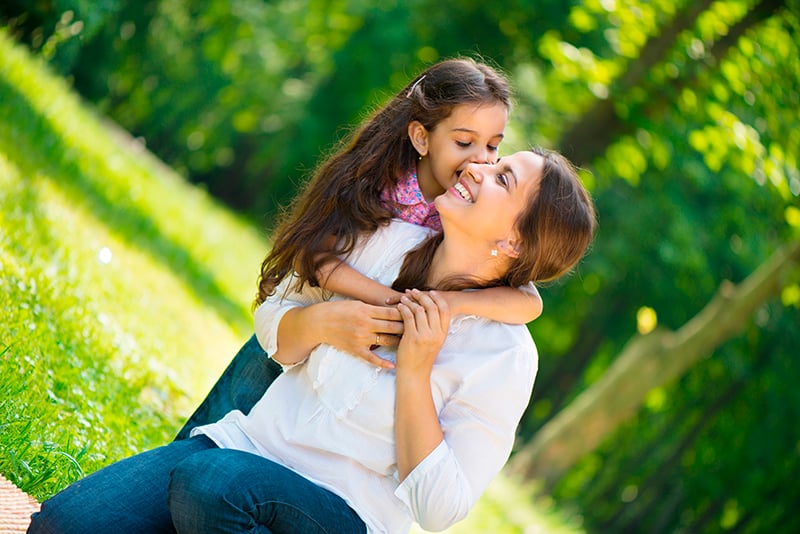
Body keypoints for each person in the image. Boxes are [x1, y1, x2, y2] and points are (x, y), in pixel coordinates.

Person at [28, 148, 596, 533]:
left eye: (503, 178)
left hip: (343, 514)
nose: (476, 166)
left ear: (516, 243)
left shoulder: (505, 357)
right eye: (492, 160)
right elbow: (274, 318)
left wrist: (416, 375)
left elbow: (440, 508)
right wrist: (327, 324)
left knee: (210, 489)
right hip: (248, 448)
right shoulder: (389, 242)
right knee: (60, 525)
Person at [175, 57, 542, 440]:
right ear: (421, 138)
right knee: (207, 435)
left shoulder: (471, 215)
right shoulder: (379, 184)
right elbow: (315, 257)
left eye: (493, 146)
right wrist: (390, 301)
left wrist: (449, 305)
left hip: (336, 374)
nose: (480, 160)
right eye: (464, 142)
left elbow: (528, 303)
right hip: (301, 325)